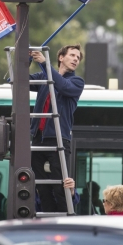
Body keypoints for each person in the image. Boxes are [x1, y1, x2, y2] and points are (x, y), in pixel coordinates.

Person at [30, 45, 84, 213]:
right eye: (73, 55)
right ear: (61, 57)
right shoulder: (43, 77)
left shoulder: (76, 82)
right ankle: (47, 222)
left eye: (78, 57)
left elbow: (62, 86)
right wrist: (26, 60)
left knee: (61, 187)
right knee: (41, 188)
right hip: (38, 139)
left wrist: (44, 63)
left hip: (59, 139)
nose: (76, 59)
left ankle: (63, 222)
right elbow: (18, 81)